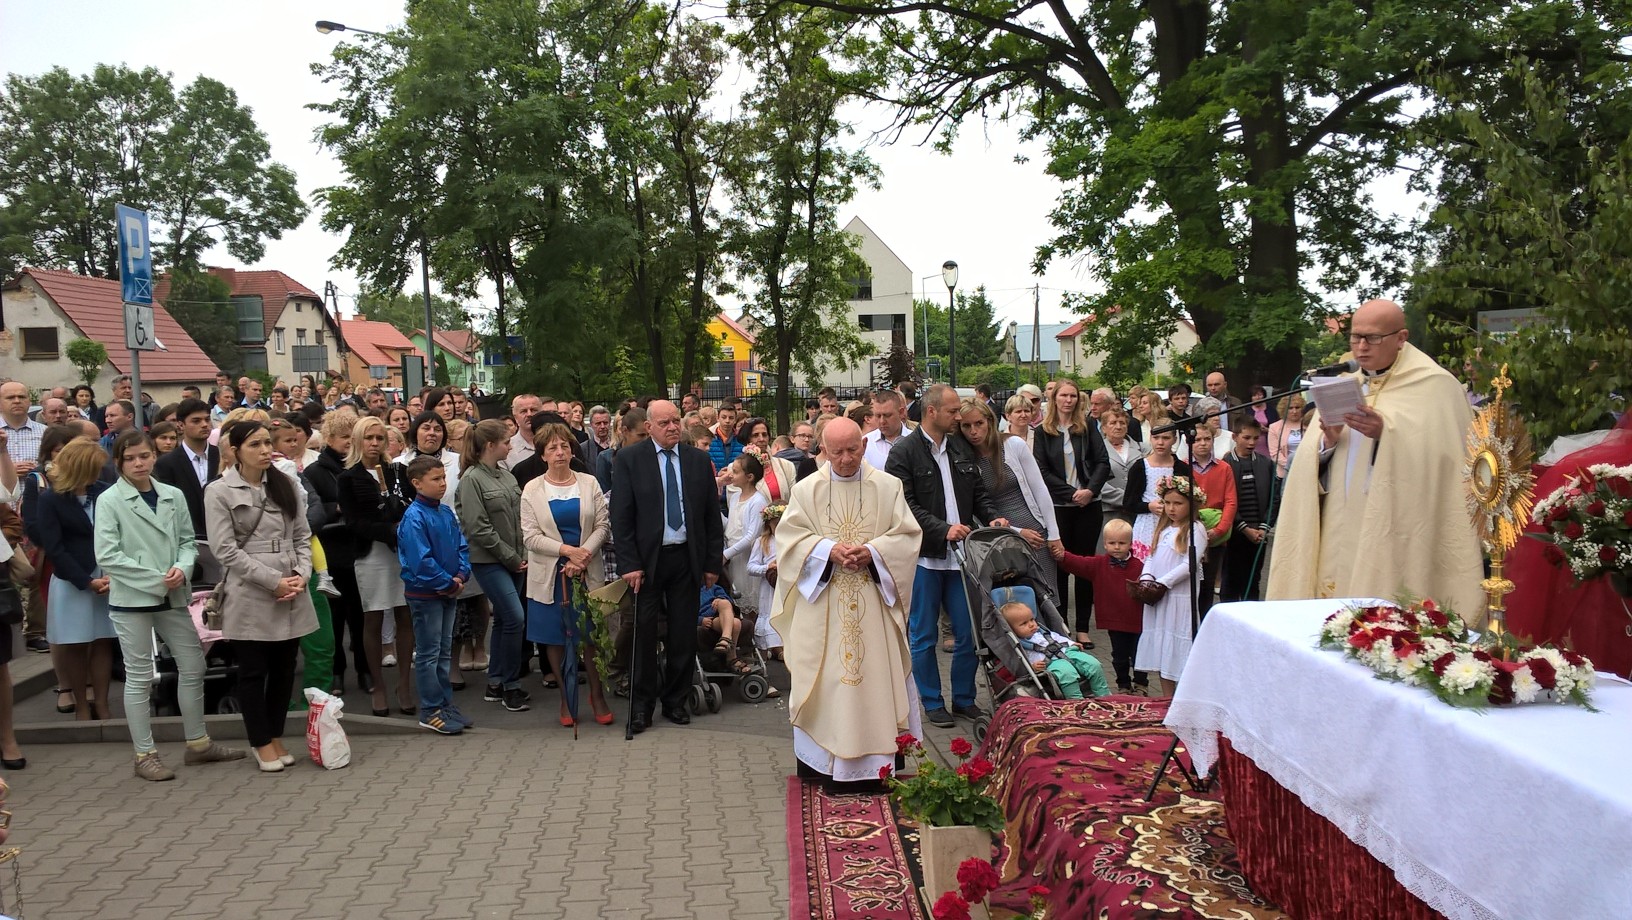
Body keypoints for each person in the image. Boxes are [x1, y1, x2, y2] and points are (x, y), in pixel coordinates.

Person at [1269, 298, 1484, 619]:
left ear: (1401, 338)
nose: (1361, 347)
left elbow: (1446, 463)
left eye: (1373, 338)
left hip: (1396, 525)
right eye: (1356, 337)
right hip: (1338, 518)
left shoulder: (1436, 386)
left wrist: (1386, 434)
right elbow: (1311, 465)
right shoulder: (1346, 383)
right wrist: (1327, 442)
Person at [770, 416, 923, 787]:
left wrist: (874, 552)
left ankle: (877, 768)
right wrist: (826, 550)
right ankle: (822, 765)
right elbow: (789, 541)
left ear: (864, 445)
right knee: (824, 680)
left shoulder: (888, 487)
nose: (845, 459)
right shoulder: (806, 490)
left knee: (873, 680)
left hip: (873, 603)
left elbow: (907, 537)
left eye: (853, 450)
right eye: (836, 452)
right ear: (823, 450)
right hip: (823, 604)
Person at [95, 431, 244, 781]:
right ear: (119, 462)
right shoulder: (109, 499)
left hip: (173, 595)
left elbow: (188, 541)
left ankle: (198, 743)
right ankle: (144, 754)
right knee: (139, 676)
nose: (138, 463)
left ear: (154, 457)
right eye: (130, 458)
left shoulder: (171, 494)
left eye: (144, 456)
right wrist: (156, 579)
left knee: (193, 665)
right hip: (133, 598)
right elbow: (108, 555)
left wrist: (182, 567)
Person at [885, 384, 1005, 729]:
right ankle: (932, 701)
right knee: (924, 635)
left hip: (962, 557)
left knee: (968, 632)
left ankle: (964, 699)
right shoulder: (904, 452)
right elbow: (903, 505)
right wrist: (942, 529)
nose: (958, 417)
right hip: (925, 558)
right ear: (932, 411)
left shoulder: (960, 447)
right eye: (952, 411)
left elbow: (978, 492)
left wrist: (991, 516)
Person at [206, 421, 319, 772]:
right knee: (254, 670)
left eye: (268, 442)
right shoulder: (219, 491)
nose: (265, 450)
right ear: (235, 451)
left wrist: (302, 574)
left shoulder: (286, 483)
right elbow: (225, 550)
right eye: (255, 444)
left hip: (291, 583)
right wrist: (273, 581)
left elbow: (302, 536)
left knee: (285, 669)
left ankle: (275, 734)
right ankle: (259, 740)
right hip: (250, 589)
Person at [610, 400, 723, 735]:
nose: (673, 427)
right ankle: (642, 707)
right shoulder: (630, 459)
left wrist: (711, 563)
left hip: (686, 558)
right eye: (665, 423)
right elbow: (621, 516)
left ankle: (676, 700)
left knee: (683, 633)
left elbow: (710, 516)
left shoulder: (697, 461)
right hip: (647, 561)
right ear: (649, 426)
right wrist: (630, 563)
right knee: (644, 633)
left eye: (676, 421)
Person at [522, 423, 614, 727]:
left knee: (590, 637)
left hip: (587, 571)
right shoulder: (532, 489)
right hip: (551, 576)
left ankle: (596, 695)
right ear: (543, 455)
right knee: (555, 640)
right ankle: (566, 697)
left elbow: (602, 526)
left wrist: (583, 554)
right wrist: (567, 551)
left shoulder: (589, 482)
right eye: (552, 448)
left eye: (564, 446)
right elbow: (531, 537)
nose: (560, 452)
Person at [36, 439, 118, 721]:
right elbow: (54, 547)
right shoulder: (51, 499)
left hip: (106, 577)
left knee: (103, 640)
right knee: (75, 643)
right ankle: (82, 705)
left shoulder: (105, 492)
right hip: (72, 580)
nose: (98, 473)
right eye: (92, 468)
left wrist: (111, 575)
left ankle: (102, 703)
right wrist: (85, 581)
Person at [339, 416, 414, 716]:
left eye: (379, 438)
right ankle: (379, 685)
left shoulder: (398, 471)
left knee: (405, 615)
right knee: (373, 617)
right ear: (358, 440)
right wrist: (389, 531)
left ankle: (404, 684)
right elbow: (354, 522)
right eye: (368, 438)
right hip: (371, 553)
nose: (374, 443)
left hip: (401, 552)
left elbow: (412, 505)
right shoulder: (348, 478)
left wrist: (402, 530)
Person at [458, 420, 531, 713]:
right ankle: (510, 684)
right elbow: (478, 527)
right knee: (515, 618)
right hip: (489, 560)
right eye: (506, 442)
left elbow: (520, 518)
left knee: (504, 619)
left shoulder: (506, 475)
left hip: (514, 558)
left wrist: (521, 554)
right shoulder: (471, 479)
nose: (510, 447)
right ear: (490, 445)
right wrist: (512, 557)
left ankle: (497, 681)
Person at [397, 455, 472, 735]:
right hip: (426, 594)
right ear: (417, 483)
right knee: (429, 653)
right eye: (436, 479)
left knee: (443, 650)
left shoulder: (445, 512)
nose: (443, 484)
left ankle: (444, 703)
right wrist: (448, 583)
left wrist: (461, 574)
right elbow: (421, 561)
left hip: (448, 590)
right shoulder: (414, 517)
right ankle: (430, 709)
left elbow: (461, 545)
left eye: (443, 478)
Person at [1032, 379, 1110, 644]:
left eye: (1073, 396)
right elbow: (1042, 471)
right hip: (1059, 507)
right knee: (1061, 566)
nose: (1068, 400)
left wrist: (1089, 491)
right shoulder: (1043, 431)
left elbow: (1102, 462)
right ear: (1054, 399)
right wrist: (1070, 493)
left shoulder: (1087, 427)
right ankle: (1061, 626)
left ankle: (1083, 627)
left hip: (1089, 505)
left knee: (1085, 565)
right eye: (1063, 395)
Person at [957, 397, 1061, 594]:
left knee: (1047, 596)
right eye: (966, 426)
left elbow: (1039, 489)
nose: (974, 431)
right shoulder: (963, 459)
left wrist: (1054, 534)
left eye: (979, 423)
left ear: (989, 421)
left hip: (1035, 531)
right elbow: (976, 509)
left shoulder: (1013, 444)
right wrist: (1016, 531)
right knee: (1013, 600)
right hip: (999, 538)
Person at [1054, 518, 1147, 694]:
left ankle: (1141, 684)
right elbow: (1079, 562)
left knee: (1140, 655)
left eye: (1122, 543)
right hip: (1114, 622)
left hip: (1138, 621)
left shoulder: (1141, 566)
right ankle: (1123, 685)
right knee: (1119, 656)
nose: (1117, 547)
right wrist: (1062, 556)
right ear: (1104, 544)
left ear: (1130, 544)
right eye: (1112, 543)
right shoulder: (1099, 564)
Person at [1135, 477, 1209, 696]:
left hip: (1178, 598)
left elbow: (1189, 564)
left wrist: (1163, 583)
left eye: (1178, 503)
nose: (1171, 508)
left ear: (1191, 505)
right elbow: (1151, 556)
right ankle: (1167, 697)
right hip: (1158, 597)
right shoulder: (1164, 528)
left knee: (1177, 645)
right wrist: (1146, 578)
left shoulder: (1195, 529)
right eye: (1167, 503)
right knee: (1163, 647)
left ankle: (1184, 696)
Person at [999, 601, 1109, 699]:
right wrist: (1032, 667)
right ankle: (1076, 700)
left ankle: (1104, 696)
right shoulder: (1019, 645)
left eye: (1032, 619)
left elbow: (1058, 638)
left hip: (1066, 651)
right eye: (1024, 623)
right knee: (1067, 673)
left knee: (1093, 664)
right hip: (1050, 662)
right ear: (1011, 629)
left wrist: (1071, 643)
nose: (1031, 624)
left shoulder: (1043, 632)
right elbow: (1023, 661)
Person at [1222, 418, 1277, 602]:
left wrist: (1264, 526)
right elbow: (1225, 500)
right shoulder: (1226, 464)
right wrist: (1244, 528)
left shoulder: (1266, 463)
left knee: (1253, 579)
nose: (1252, 442)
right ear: (1235, 437)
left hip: (1259, 531)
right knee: (1231, 579)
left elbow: (1274, 497)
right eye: (1246, 438)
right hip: (1235, 531)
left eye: (1255, 438)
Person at [1187, 429, 1236, 615]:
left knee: (1207, 583)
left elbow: (1231, 501)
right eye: (1197, 439)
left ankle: (1205, 622)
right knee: (1189, 583)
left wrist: (1220, 529)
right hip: (1189, 533)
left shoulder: (1224, 468)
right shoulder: (1183, 466)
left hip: (1214, 535)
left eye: (1207, 439)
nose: (1203, 443)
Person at [1128, 429, 1192, 557]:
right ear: (1150, 439)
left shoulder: (1181, 468)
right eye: (1156, 438)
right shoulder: (1140, 467)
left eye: (1166, 438)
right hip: (1147, 524)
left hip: (1175, 524)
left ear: (1174, 440)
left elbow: (1190, 498)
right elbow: (1129, 503)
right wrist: (1148, 506)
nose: (1160, 442)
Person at [745, 502, 785, 666]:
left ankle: (784, 647)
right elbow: (751, 567)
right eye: (776, 524)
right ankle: (770, 647)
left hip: (787, 586)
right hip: (770, 588)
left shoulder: (793, 540)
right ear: (769, 524)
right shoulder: (763, 542)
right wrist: (767, 567)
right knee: (771, 614)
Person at [1097, 406, 1141, 549]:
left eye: (1122, 423)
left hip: (1136, 512)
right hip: (1109, 511)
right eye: (1113, 423)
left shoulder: (1142, 448)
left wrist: (1136, 499)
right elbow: (1096, 481)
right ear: (1104, 428)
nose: (1118, 426)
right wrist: (1126, 498)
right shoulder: (1096, 450)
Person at [862, 390, 909, 470]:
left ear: (901, 412)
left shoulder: (916, 441)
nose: (882, 421)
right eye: (878, 416)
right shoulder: (866, 443)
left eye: (887, 415)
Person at [1266, 393, 1307, 479]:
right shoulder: (1274, 427)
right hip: (1285, 473)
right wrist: (1292, 465)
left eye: (1297, 407)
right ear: (1284, 410)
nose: (1294, 411)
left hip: (1307, 469)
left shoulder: (1309, 424)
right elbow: (1275, 454)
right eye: (1290, 408)